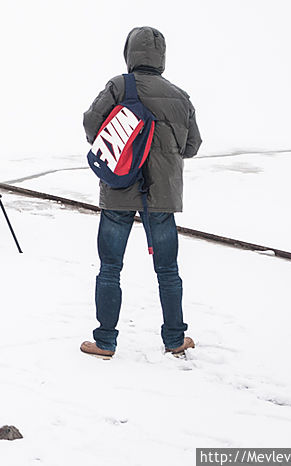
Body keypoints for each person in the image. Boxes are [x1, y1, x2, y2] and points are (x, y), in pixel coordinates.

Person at [80, 27, 202, 359]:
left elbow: (92, 122)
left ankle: (105, 341)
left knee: (110, 267)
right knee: (168, 269)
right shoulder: (181, 96)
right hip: (163, 195)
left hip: (119, 188)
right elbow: (192, 146)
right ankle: (175, 338)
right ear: (161, 57)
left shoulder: (120, 86)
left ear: (129, 53)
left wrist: (119, 146)